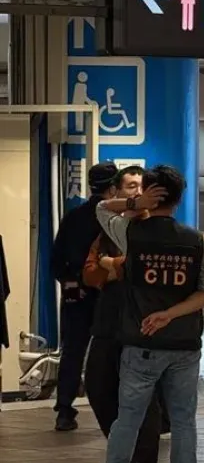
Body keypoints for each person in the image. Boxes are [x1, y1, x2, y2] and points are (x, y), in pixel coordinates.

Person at [76, 165, 204, 463]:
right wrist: (171, 314)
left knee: (128, 418)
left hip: (142, 344)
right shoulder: (196, 240)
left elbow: (99, 209)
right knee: (184, 420)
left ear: (151, 195)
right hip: (185, 345)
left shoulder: (132, 234)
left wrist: (133, 202)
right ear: (180, 199)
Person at [81, 165, 163, 463]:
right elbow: (89, 273)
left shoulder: (156, 229)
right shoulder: (109, 228)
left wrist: (112, 265)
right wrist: (110, 269)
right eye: (130, 186)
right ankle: (122, 455)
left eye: (141, 186)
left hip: (141, 323)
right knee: (98, 385)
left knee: (142, 394)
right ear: (117, 191)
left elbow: (140, 269)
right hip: (107, 322)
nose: (135, 192)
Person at [51, 162, 119, 432]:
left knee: (73, 352)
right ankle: (115, 410)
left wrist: (70, 283)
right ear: (113, 187)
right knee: (114, 352)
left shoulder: (74, 217)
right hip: (108, 296)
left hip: (75, 296)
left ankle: (64, 410)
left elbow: (56, 260)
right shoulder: (115, 219)